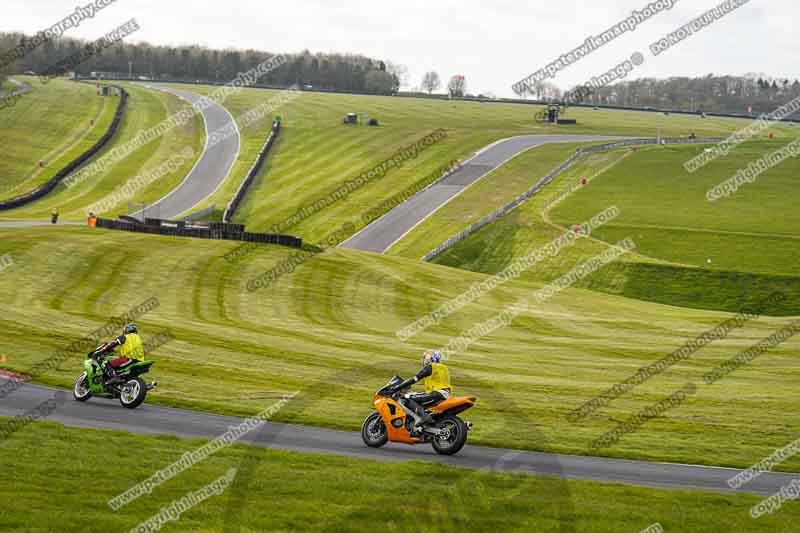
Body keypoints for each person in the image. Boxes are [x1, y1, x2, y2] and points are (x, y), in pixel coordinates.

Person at [395, 350, 452, 429]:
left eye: (425, 359)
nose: (424, 361)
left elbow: (415, 379)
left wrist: (399, 386)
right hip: (445, 395)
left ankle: (422, 417)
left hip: (437, 394)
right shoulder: (444, 368)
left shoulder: (431, 367)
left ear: (429, 359)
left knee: (407, 398)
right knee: (417, 397)